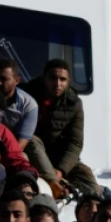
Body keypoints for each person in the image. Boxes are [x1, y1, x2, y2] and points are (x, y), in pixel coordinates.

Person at [22, 59, 98, 196]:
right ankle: (54, 186)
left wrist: (61, 170)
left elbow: (75, 143)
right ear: (44, 78)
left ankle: (93, 200)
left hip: (58, 158)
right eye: (53, 78)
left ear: (68, 80)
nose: (57, 84)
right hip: (32, 153)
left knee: (89, 181)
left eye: (62, 79)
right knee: (32, 140)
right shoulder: (26, 95)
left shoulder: (73, 103)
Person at [0, 58, 38, 150]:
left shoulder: (28, 104)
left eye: (3, 79)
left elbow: (20, 145)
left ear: (17, 80)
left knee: (35, 144)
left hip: (10, 149)